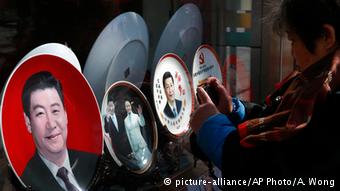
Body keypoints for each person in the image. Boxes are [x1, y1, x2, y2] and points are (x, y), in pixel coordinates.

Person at [190, 0, 340, 180]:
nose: (293, 52)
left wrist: (211, 129)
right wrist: (235, 110)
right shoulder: (313, 82)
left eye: (293, 41)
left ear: (326, 36)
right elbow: (274, 117)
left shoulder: (329, 103)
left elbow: (268, 170)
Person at [21, 71, 98, 191]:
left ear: (66, 114)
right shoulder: (26, 182)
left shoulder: (92, 161)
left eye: (55, 110)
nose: (51, 124)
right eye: (40, 113)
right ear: (28, 123)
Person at [123, 100, 151, 169]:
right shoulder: (125, 120)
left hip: (141, 143)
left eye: (129, 105)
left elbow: (142, 124)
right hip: (135, 147)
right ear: (125, 108)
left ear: (131, 106)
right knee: (142, 166)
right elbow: (128, 136)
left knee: (149, 161)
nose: (128, 107)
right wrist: (133, 149)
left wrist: (140, 114)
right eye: (126, 106)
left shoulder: (136, 116)